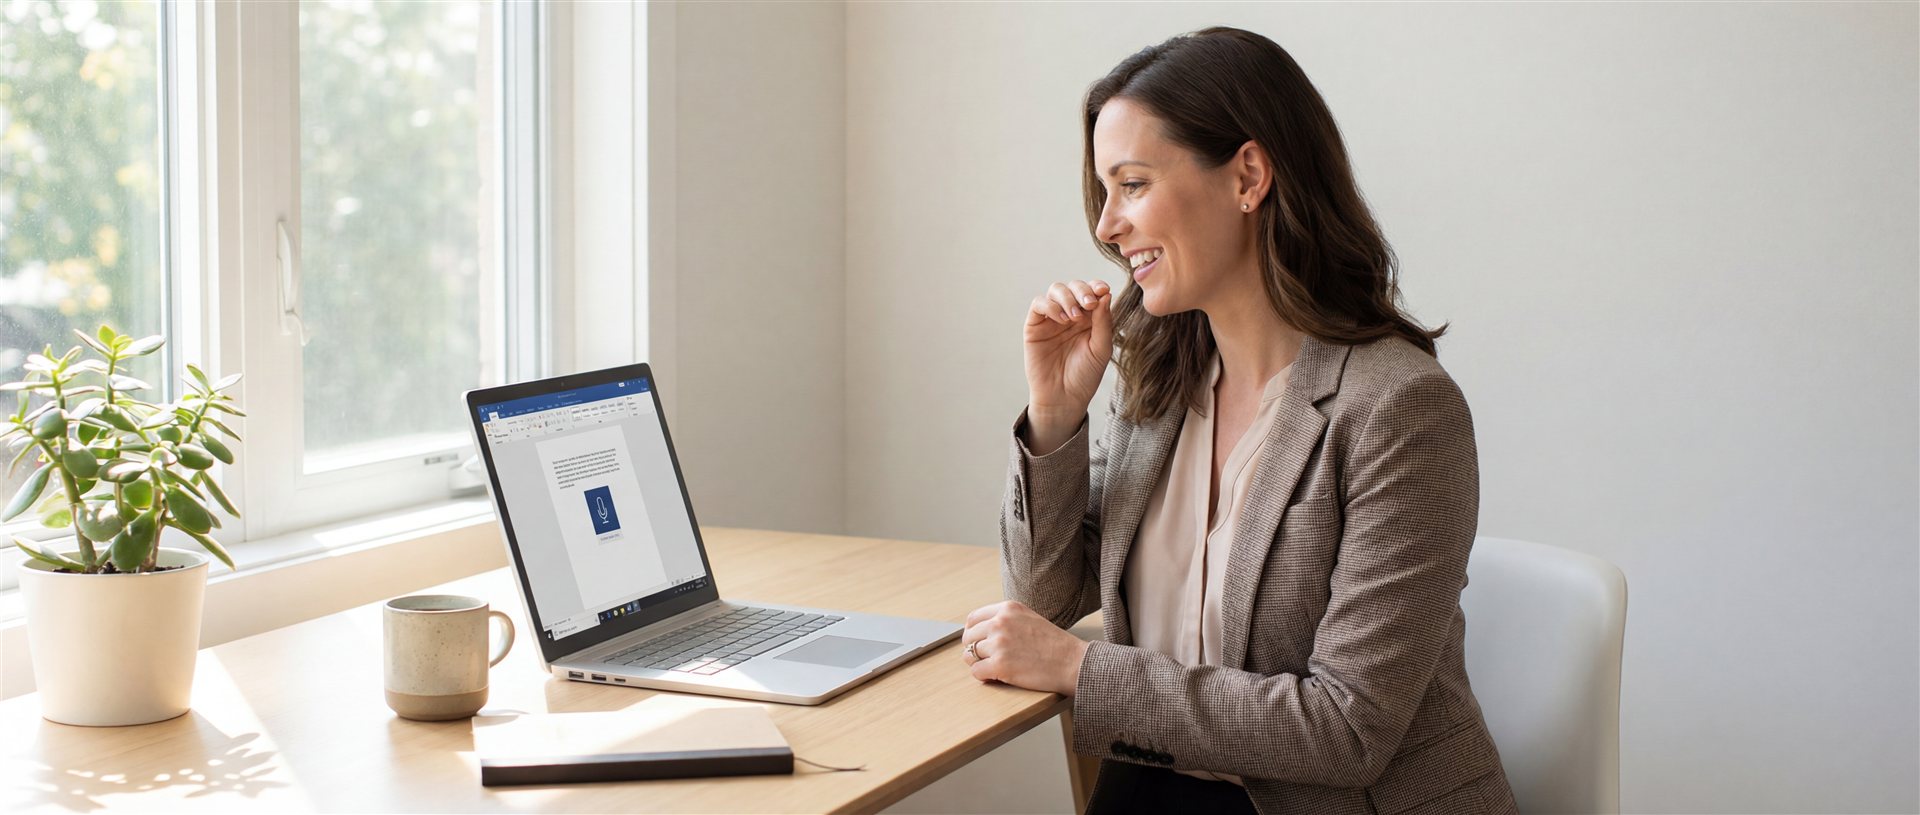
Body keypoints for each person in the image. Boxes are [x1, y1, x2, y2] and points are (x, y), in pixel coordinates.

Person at [959, 27, 1520, 814]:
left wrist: (1085, 672)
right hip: (1154, 781)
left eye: (1133, 183)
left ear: (1248, 175)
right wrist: (1054, 418)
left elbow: (1346, 729)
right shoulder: (1158, 382)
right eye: (1105, 191)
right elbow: (1044, 598)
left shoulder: (1399, 408)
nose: (1106, 226)